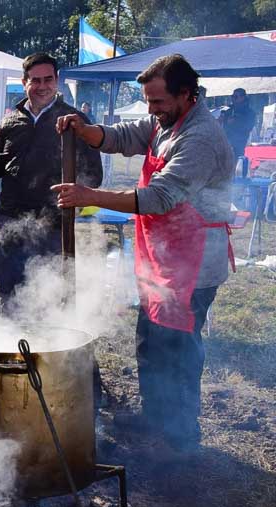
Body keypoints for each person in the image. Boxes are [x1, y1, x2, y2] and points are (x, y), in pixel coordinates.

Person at [52, 54, 235, 454]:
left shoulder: (200, 137)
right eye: (148, 102)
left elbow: (160, 196)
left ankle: (182, 437)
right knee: (150, 341)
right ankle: (155, 415)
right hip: (161, 257)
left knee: (180, 351)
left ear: (186, 95)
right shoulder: (163, 122)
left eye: (158, 102)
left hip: (194, 264)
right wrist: (87, 131)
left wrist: (89, 196)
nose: (151, 111)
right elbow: (125, 136)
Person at [0, 52, 103, 304]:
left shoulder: (75, 120)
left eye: (48, 80)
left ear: (57, 81)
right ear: (25, 82)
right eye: (35, 80)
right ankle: (10, 341)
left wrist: (74, 191)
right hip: (11, 220)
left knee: (50, 297)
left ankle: (48, 342)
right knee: (10, 293)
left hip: (53, 224)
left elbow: (94, 175)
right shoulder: (10, 121)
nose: (42, 87)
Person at [219, 87, 256, 164]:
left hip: (238, 144)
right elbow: (222, 123)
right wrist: (221, 121)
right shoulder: (228, 110)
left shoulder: (249, 112)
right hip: (224, 143)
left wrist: (235, 123)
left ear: (242, 97)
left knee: (234, 166)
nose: (233, 99)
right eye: (232, 96)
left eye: (235, 97)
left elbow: (248, 127)